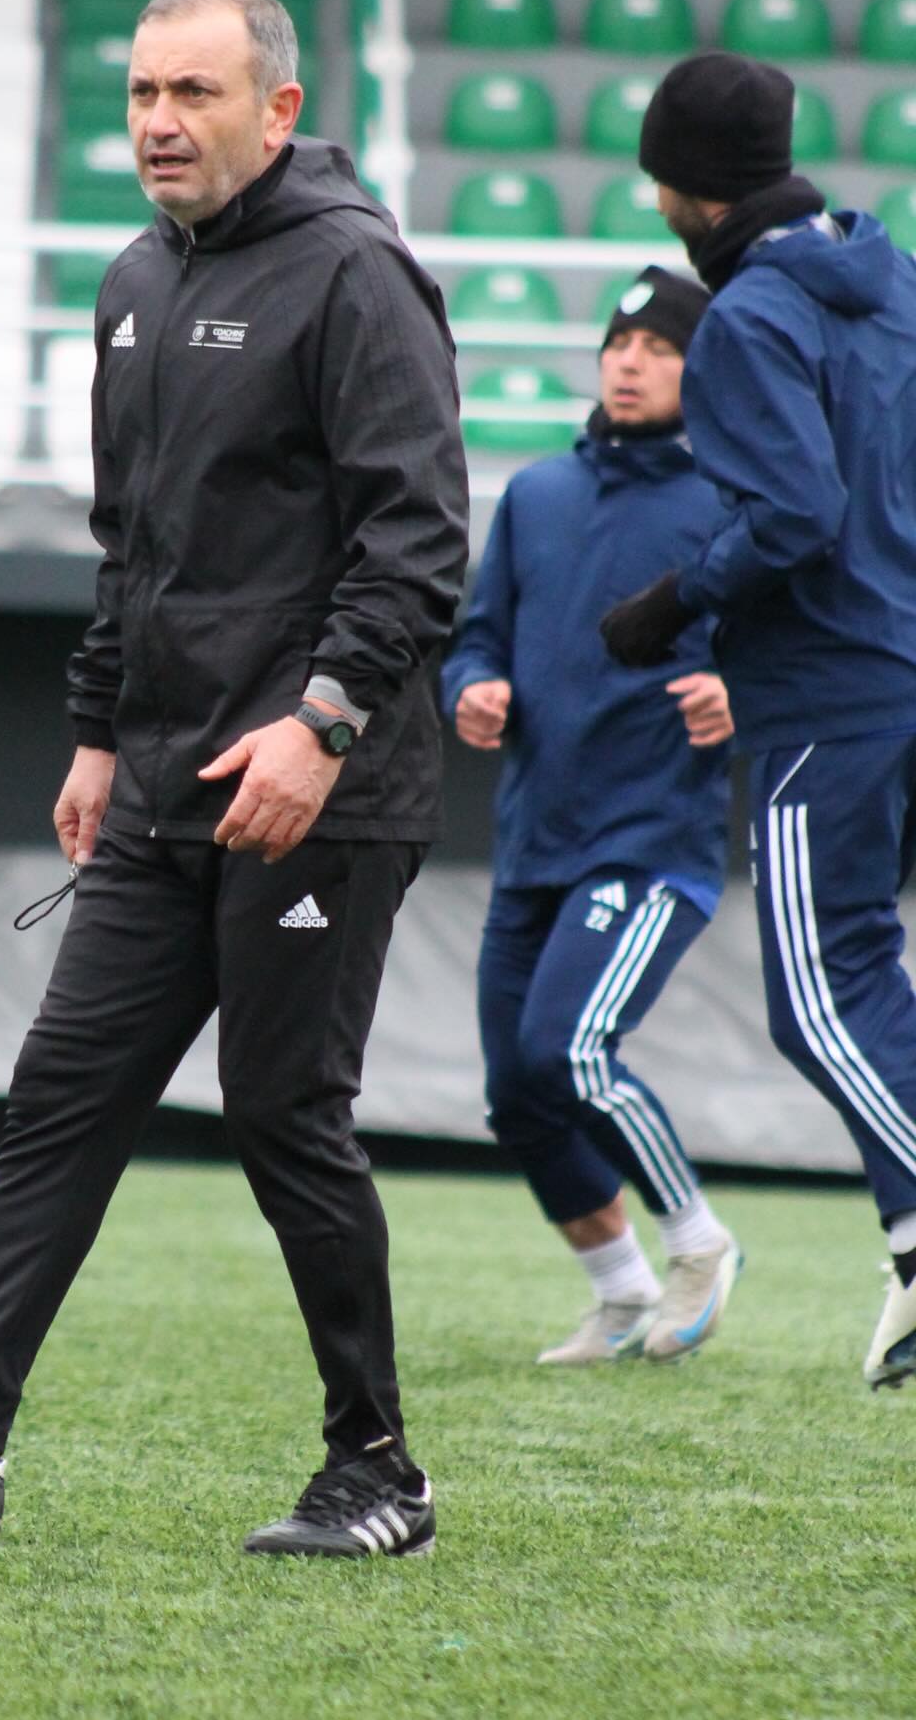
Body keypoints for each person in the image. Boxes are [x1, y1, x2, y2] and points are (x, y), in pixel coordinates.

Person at [0, 0, 469, 1554]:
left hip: (316, 786)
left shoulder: (357, 273)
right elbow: (129, 545)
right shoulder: (135, 280)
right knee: (62, 1095)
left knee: (284, 1114)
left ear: (277, 110)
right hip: (158, 783)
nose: (159, 121)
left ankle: (379, 1470)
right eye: (143, 91)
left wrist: (323, 723)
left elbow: (420, 539)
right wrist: (95, 728)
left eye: (194, 92)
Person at [601, 49, 916, 1391]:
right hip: (900, 657)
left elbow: (792, 514)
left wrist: (671, 601)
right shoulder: (892, 278)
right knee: (867, 974)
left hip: (826, 688)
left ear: (689, 186)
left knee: (823, 992)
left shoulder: (745, 321)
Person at [443, 268, 741, 1365]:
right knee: (517, 1093)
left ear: (700, 371)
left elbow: (794, 652)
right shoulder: (537, 493)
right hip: (537, 837)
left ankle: (699, 1243)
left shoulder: (733, 504)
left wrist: (739, 693)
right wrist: (470, 686)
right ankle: (620, 1293)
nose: (630, 361)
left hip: (652, 842)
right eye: (620, 341)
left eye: (659, 347)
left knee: (569, 1049)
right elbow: (479, 634)